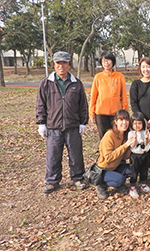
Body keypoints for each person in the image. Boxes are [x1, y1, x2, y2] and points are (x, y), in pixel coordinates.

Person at [36, 51, 89, 193]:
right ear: (54, 65)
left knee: (76, 154)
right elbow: (41, 104)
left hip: (73, 126)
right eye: (58, 63)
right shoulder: (46, 83)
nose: (61, 66)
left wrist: (83, 122)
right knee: (53, 155)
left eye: (64, 63)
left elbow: (83, 104)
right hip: (53, 126)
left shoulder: (76, 83)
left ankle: (78, 177)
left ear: (69, 65)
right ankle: (52, 181)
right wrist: (41, 123)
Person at [95, 109, 135, 199]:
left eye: (126, 120)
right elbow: (108, 157)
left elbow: (125, 156)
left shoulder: (125, 135)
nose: (124, 123)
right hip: (103, 169)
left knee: (134, 170)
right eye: (121, 120)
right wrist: (126, 145)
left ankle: (116, 179)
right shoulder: (109, 135)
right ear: (116, 121)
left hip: (116, 166)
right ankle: (101, 185)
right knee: (120, 180)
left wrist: (131, 146)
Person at [89, 51, 128, 139]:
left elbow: (124, 96)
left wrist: (125, 112)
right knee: (103, 137)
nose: (106, 63)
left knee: (117, 136)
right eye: (103, 61)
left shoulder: (119, 76)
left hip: (116, 113)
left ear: (113, 61)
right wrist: (91, 113)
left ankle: (116, 153)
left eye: (108, 60)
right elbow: (93, 96)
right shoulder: (98, 77)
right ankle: (104, 153)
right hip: (101, 113)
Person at [128, 112, 150, 198]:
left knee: (144, 170)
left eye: (139, 123)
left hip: (144, 154)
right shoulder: (131, 133)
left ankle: (143, 184)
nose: (137, 125)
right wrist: (134, 139)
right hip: (135, 155)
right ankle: (132, 187)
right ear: (132, 124)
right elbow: (133, 145)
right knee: (134, 172)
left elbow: (148, 142)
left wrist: (146, 138)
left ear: (143, 124)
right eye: (135, 123)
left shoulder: (145, 132)